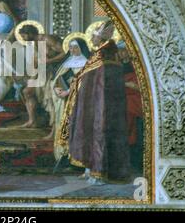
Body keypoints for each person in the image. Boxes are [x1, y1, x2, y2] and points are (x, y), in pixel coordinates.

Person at [58, 21, 130, 185]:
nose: (91, 37)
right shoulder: (100, 54)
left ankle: (99, 172)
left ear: (101, 38)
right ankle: (89, 167)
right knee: (90, 131)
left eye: (94, 35)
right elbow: (85, 77)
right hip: (91, 103)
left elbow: (100, 81)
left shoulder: (106, 55)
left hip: (101, 105)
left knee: (99, 131)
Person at [18, 25, 66, 130]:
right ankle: (32, 120)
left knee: (51, 99)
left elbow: (65, 52)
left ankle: (54, 128)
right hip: (42, 72)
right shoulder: (33, 44)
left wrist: (50, 61)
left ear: (30, 33)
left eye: (24, 36)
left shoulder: (47, 39)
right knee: (27, 92)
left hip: (55, 72)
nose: (23, 39)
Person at [52, 38, 90, 162]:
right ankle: (63, 156)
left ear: (82, 48)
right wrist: (57, 89)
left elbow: (86, 83)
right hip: (64, 102)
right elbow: (56, 80)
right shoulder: (65, 64)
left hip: (79, 102)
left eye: (76, 47)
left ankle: (77, 159)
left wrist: (68, 92)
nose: (72, 50)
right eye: (71, 47)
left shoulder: (87, 64)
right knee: (64, 128)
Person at [117, 40, 143, 172]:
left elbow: (140, 87)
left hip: (134, 102)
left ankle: (135, 163)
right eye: (120, 51)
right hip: (121, 102)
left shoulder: (137, 65)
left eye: (124, 50)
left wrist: (126, 84)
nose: (122, 53)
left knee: (133, 132)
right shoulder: (118, 66)